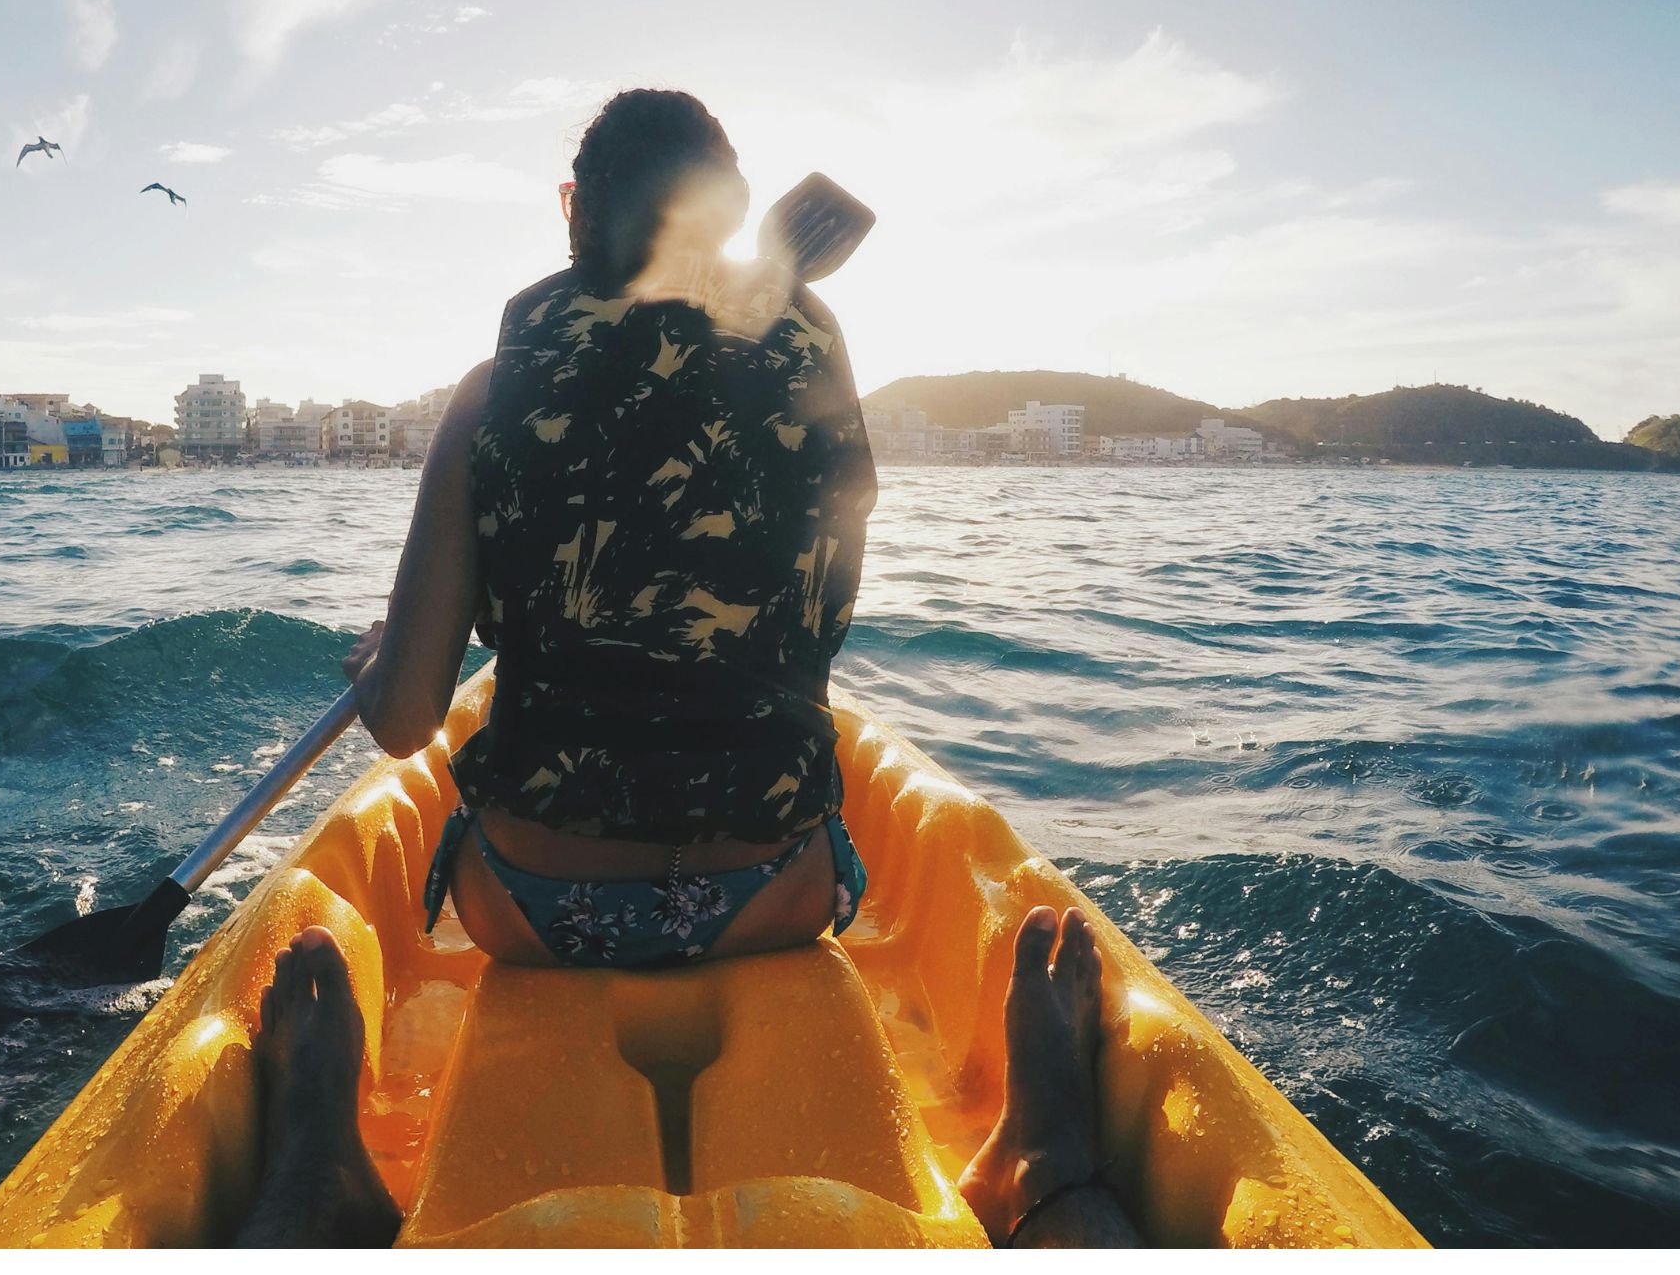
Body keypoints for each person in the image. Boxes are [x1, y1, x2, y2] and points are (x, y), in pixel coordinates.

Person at [233, 89, 1140, 1248]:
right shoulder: (811, 353)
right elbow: (812, 607)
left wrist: (380, 660)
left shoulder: (489, 393)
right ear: (731, 216)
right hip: (774, 895)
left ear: (571, 209)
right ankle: (1049, 1172)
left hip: (528, 906)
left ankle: (317, 1173)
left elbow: (411, 719)